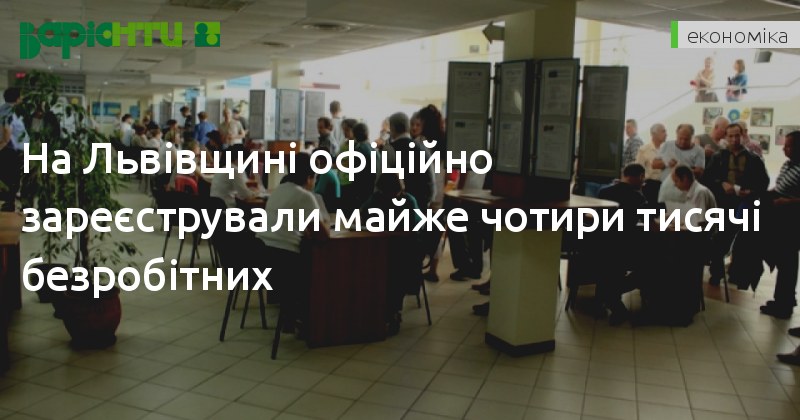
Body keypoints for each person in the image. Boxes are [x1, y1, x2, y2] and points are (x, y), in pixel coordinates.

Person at [256, 153, 329, 335]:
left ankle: (289, 316)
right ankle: (306, 320)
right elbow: (323, 236)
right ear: (309, 177)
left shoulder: (278, 190)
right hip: (284, 261)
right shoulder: (305, 196)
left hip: (262, 255)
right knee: (319, 269)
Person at [729, 131, 800, 319]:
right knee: (782, 261)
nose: (784, 149)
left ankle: (785, 303)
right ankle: (782, 299)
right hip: (778, 216)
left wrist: (787, 202)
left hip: (792, 220)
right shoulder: (788, 165)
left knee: (787, 262)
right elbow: (780, 187)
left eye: (789, 146)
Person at [702, 122, 769, 285]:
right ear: (726, 137)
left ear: (742, 135)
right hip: (723, 204)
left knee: (744, 242)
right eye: (730, 136)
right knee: (720, 240)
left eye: (737, 135)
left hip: (745, 204)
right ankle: (716, 272)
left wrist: (751, 192)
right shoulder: (718, 157)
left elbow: (763, 182)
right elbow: (707, 179)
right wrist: (721, 184)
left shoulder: (753, 159)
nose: (734, 139)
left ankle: (738, 274)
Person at [360, 172, 423, 334]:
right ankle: (378, 309)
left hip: (405, 251)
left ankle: (392, 311)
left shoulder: (407, 201)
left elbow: (414, 229)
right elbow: (362, 216)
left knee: (394, 270)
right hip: (383, 248)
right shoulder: (378, 198)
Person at [594, 163, 648, 325]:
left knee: (607, 271)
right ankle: (613, 300)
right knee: (647, 268)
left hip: (600, 245)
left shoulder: (603, 192)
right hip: (624, 248)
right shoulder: (637, 198)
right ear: (640, 177)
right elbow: (649, 224)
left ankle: (607, 299)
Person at [385, 112, 434, 210]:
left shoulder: (390, 149)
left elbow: (382, 182)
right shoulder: (423, 149)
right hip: (420, 207)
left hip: (398, 207)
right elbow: (431, 182)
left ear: (392, 128)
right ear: (408, 127)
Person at [653, 124, 705, 200]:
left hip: (686, 192)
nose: (683, 142)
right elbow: (654, 165)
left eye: (686, 139)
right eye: (680, 138)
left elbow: (699, 173)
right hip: (666, 189)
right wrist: (666, 162)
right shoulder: (666, 145)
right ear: (676, 134)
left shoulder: (699, 151)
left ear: (692, 137)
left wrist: (683, 169)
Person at [636, 123, 667, 204]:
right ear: (654, 134)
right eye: (663, 131)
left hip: (664, 186)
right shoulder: (644, 150)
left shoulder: (667, 149)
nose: (666, 134)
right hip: (650, 186)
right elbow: (638, 169)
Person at [335, 118, 359, 211]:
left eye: (347, 130)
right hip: (342, 179)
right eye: (343, 130)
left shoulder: (356, 145)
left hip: (350, 181)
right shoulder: (344, 144)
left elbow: (350, 163)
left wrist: (341, 163)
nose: (344, 132)